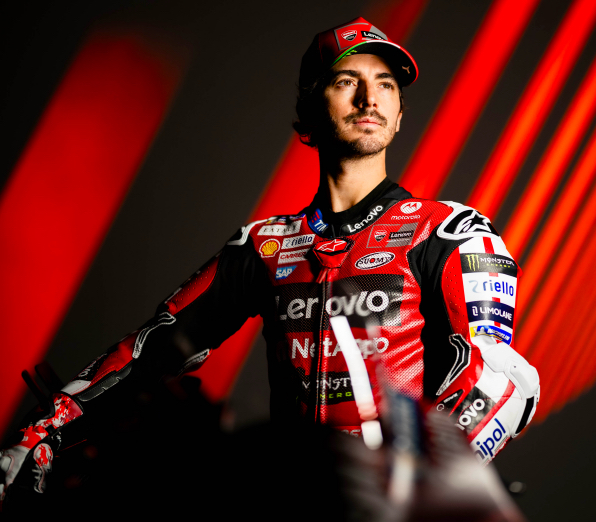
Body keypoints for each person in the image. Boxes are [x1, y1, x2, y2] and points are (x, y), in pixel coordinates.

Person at [0, 16, 540, 503]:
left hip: (407, 501)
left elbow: (502, 381)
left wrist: (412, 484)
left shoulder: (449, 232)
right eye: (346, 81)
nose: (368, 99)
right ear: (311, 105)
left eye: (385, 85)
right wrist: (44, 430)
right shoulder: (265, 244)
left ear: (399, 115)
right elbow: (150, 352)